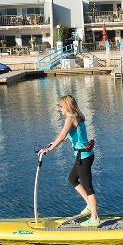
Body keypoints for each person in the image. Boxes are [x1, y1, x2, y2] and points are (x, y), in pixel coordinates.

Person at [41, 95, 100, 227]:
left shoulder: (70, 118)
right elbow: (67, 136)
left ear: (67, 106)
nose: (59, 109)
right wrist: (51, 145)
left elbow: (62, 134)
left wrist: (48, 150)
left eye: (61, 106)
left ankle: (95, 218)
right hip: (83, 156)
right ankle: (90, 206)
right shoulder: (76, 116)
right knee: (72, 179)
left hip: (84, 157)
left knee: (88, 187)